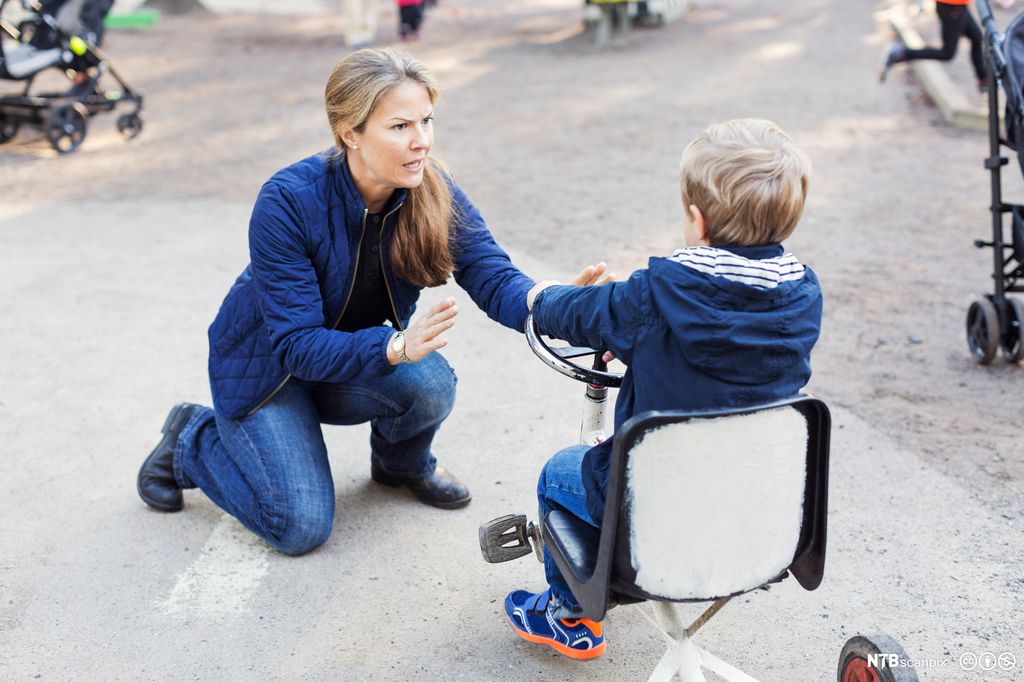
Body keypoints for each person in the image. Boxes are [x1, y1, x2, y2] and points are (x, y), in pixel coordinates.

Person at [136, 47, 607, 556]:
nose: (421, 140)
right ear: (350, 133)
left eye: (426, 120)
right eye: (400, 126)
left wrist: (555, 303)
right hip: (269, 373)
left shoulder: (432, 188)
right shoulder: (288, 200)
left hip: (350, 360)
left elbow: (491, 273)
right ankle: (190, 440)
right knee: (299, 526)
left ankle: (399, 466)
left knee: (430, 383)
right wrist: (395, 348)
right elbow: (297, 346)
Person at [501, 118, 823, 660]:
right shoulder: (803, 296)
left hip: (656, 515)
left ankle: (568, 613)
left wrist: (542, 298)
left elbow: (575, 314)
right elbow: (732, 355)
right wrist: (646, 346)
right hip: (758, 510)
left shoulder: (652, 295)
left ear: (697, 220)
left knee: (559, 473)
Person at [879, 0, 993, 89]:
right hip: (952, 7)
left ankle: (983, 79)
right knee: (947, 53)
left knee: (976, 37)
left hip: (958, 6)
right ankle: (900, 53)